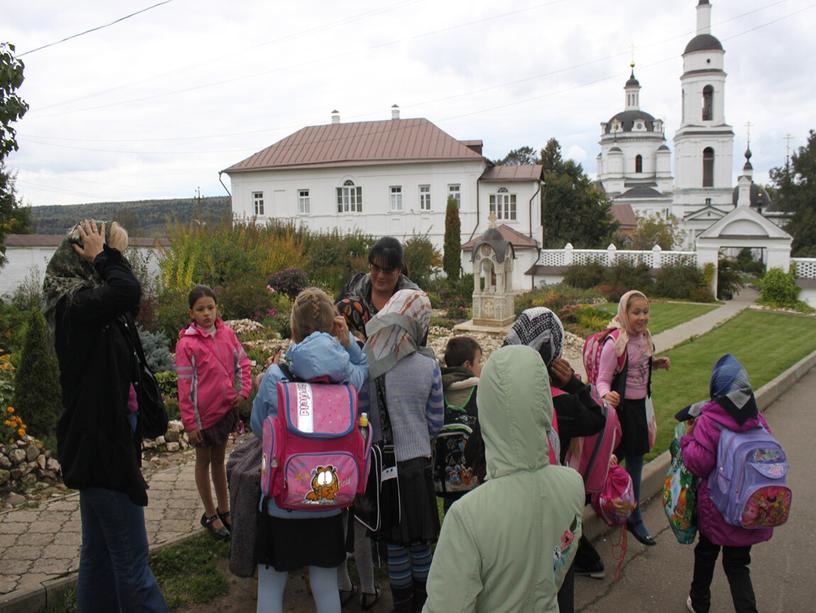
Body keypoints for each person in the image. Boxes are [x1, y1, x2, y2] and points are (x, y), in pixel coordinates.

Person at [44, 219, 168, 612]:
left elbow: (127, 297)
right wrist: (105, 257)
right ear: (82, 255)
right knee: (132, 561)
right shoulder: (76, 306)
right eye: (117, 253)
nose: (120, 262)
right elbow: (127, 288)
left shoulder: (92, 302)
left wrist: (106, 260)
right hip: (102, 443)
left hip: (103, 437)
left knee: (97, 555)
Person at [423, 345, 585, 613]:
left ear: (485, 406)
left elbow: (446, 606)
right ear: (543, 401)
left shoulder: (468, 516)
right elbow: (556, 569)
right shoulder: (572, 484)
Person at [250, 288, 368, 613]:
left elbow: (257, 426)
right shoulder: (346, 379)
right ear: (335, 326)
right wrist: (347, 344)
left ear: (293, 328)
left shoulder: (277, 376)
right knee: (326, 585)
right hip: (328, 501)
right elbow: (365, 365)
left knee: (272, 586)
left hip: (281, 501)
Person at [503, 307, 606, 612]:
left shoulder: (501, 390)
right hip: (551, 501)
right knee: (558, 576)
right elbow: (597, 418)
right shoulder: (560, 401)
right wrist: (575, 383)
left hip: (511, 505)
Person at [364, 289, 443, 613]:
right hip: (418, 466)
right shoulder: (428, 365)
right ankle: (424, 604)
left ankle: (401, 605)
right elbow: (436, 421)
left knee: (395, 544)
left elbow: (364, 417)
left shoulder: (374, 366)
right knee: (420, 542)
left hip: (386, 467)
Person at [679, 354, 772, 613]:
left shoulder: (710, 420)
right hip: (747, 509)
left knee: (706, 554)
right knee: (738, 564)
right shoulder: (757, 419)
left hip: (717, 507)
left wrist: (687, 439)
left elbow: (698, 463)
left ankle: (699, 603)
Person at [175, 285, 251, 539]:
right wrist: (190, 423)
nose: (206, 313)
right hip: (201, 418)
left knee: (219, 460)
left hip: (224, 412)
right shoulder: (186, 344)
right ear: (191, 313)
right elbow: (185, 387)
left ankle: (224, 508)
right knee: (203, 461)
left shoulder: (227, 334)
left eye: (210, 307)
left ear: (217, 308)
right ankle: (210, 514)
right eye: (200, 309)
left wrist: (242, 391)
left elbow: (242, 362)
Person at [595, 290, 670, 546]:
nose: (642, 317)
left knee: (636, 461)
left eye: (645, 312)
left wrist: (656, 364)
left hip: (639, 409)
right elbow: (602, 380)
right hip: (620, 410)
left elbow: (639, 367)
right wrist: (606, 396)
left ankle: (634, 516)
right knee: (611, 458)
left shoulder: (645, 338)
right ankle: (605, 500)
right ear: (624, 313)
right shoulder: (615, 342)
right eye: (636, 312)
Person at [334, 296, 380, 610]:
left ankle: (341, 583)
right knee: (362, 520)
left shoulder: (330, 356)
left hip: (334, 447)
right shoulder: (367, 354)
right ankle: (369, 588)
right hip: (362, 448)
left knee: (335, 516)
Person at [439, 335, 485, 512]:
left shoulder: (438, 388)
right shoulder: (480, 390)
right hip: (474, 477)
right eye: (479, 361)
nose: (481, 366)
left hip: (445, 479)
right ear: (467, 365)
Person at [339, 236, 419, 315]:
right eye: (376, 268)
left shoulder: (413, 299)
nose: (380, 276)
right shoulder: (354, 286)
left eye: (387, 270)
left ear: (399, 270)